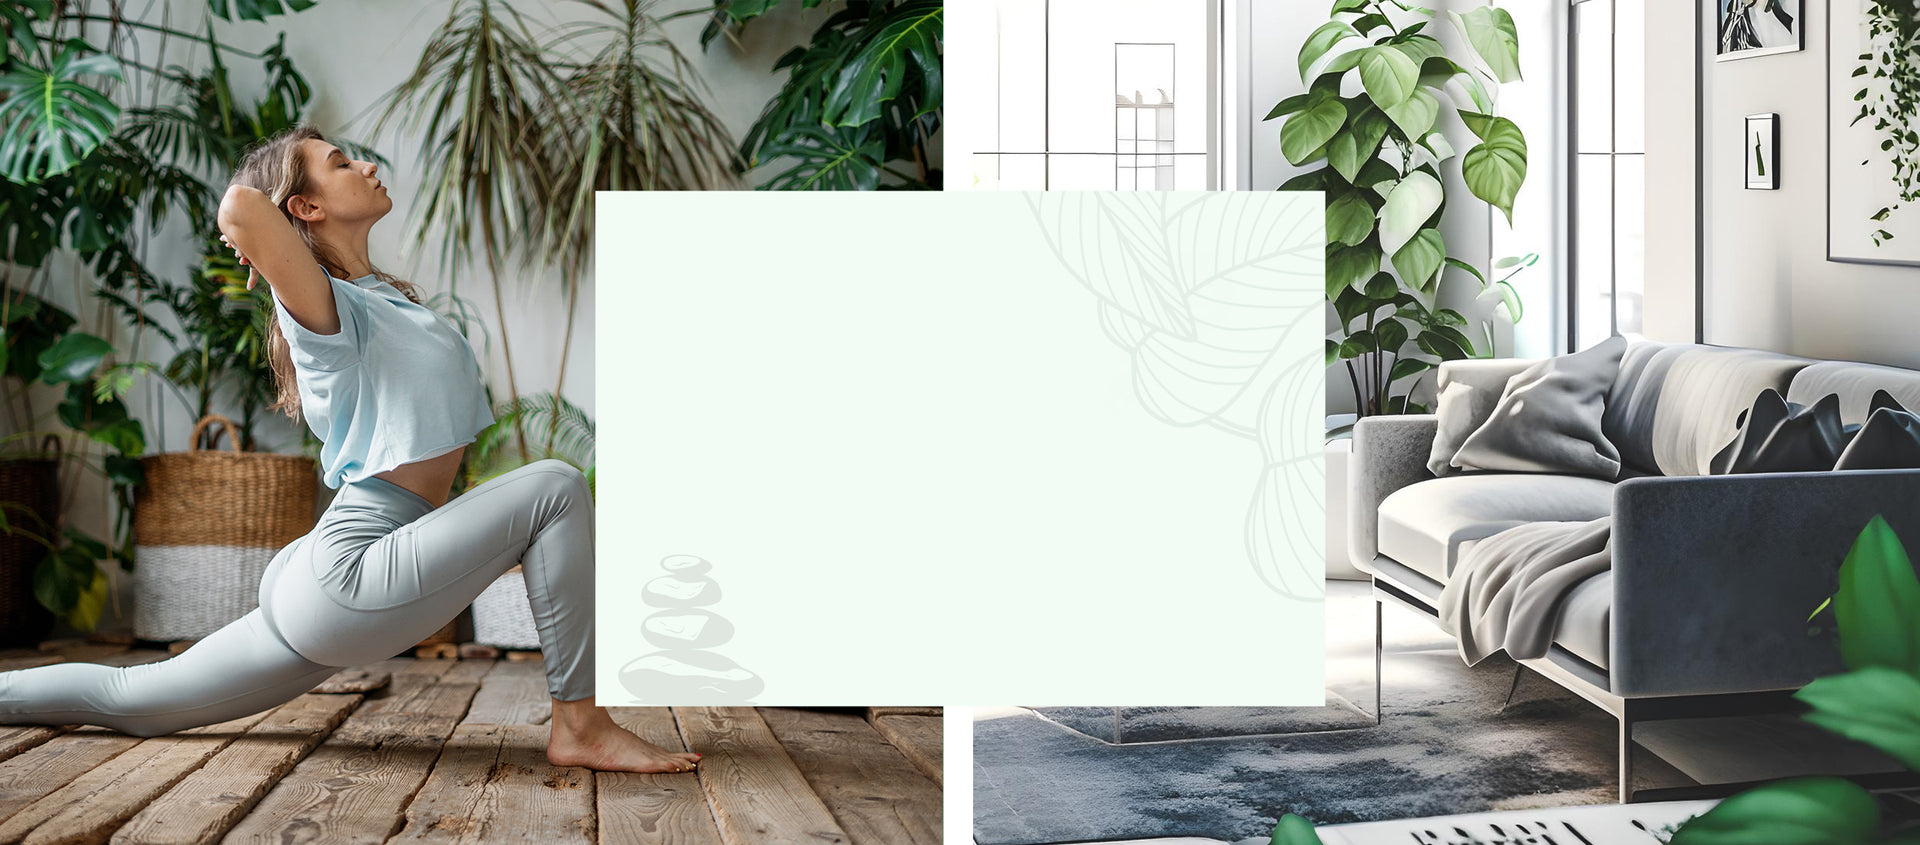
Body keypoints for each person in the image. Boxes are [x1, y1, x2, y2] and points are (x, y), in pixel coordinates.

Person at [0, 126, 699, 775]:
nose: (366, 165)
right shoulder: (322, 308)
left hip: (333, 569)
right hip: (350, 572)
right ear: (304, 206)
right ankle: (578, 725)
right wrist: (262, 246)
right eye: (340, 162)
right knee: (554, 485)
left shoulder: (377, 299)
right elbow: (242, 205)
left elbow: (257, 215)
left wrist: (270, 237)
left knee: (134, 698)